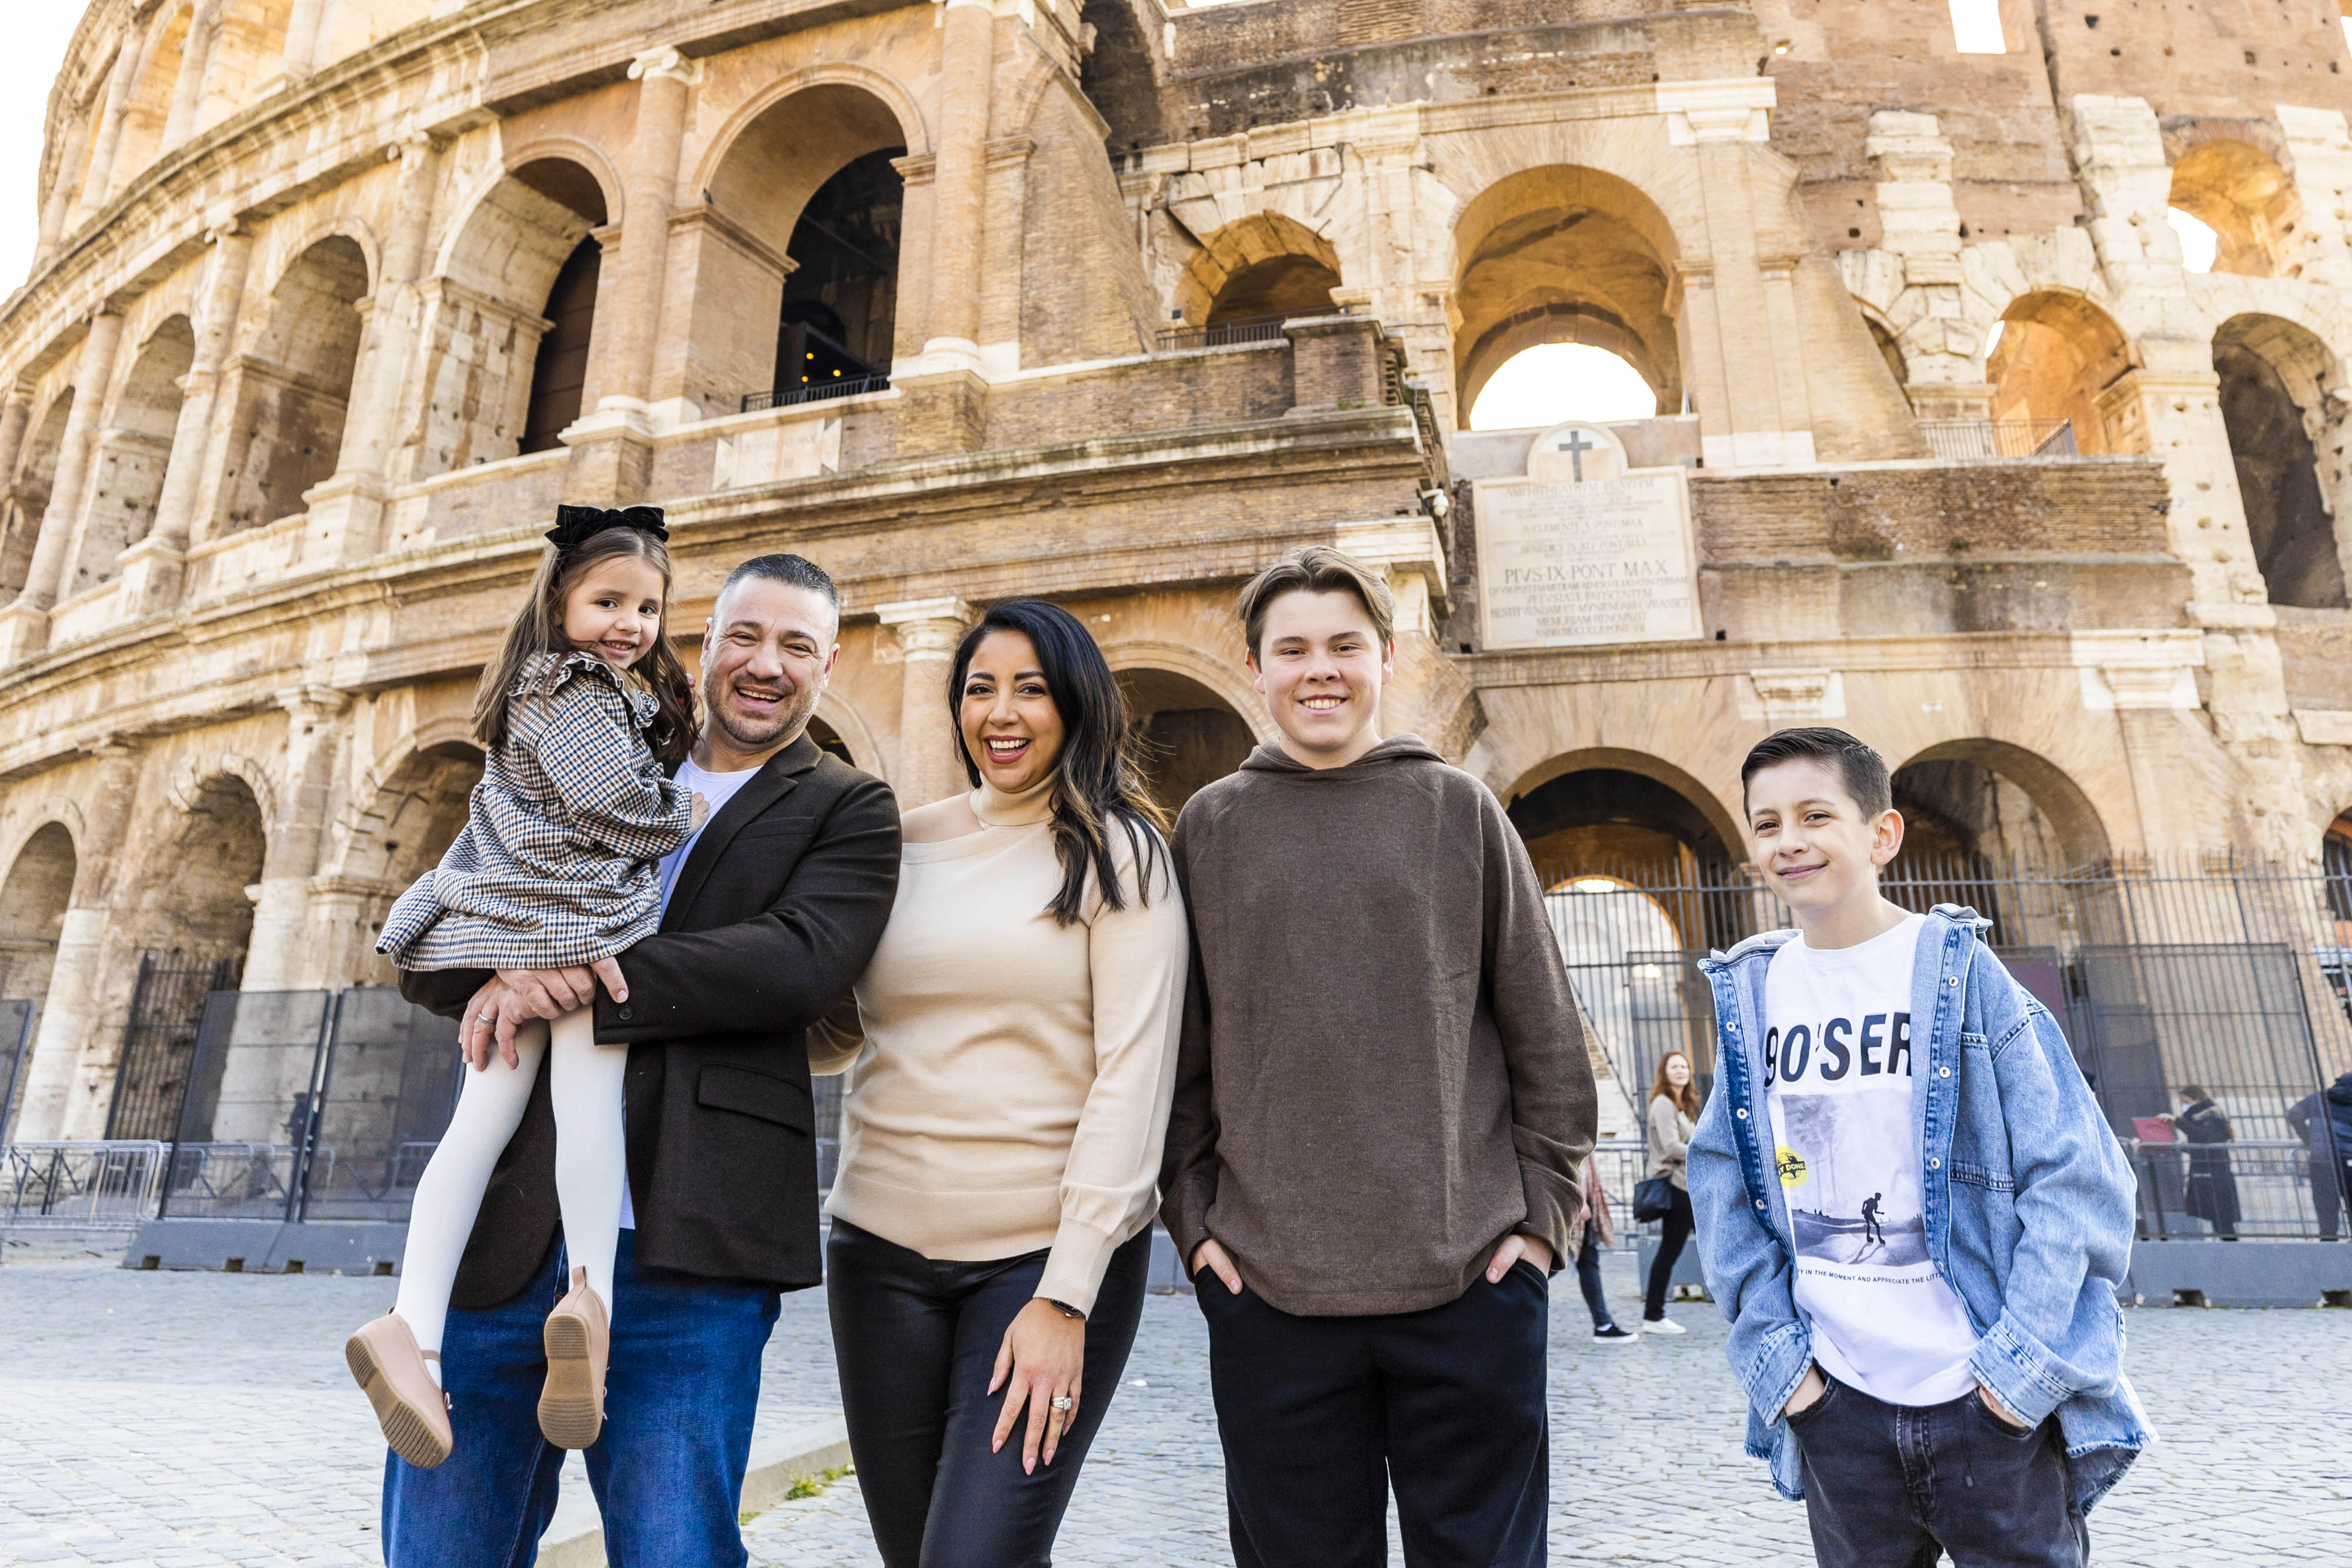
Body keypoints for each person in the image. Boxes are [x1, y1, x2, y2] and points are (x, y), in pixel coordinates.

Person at [382, 553, 901, 1568]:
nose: (767, 664)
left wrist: (575, 967)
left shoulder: (849, 806)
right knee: (442, 1554)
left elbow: (798, 963)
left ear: (829, 664)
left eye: (797, 645)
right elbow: (448, 910)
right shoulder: (588, 748)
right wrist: (508, 968)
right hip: (504, 1248)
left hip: (690, 1255)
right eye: (745, 635)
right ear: (704, 640)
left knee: (675, 1553)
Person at [1160, 545, 1598, 1568]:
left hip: (1469, 1283)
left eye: (1345, 646)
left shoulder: (1458, 811)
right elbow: (1177, 1054)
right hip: (1271, 1293)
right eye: (1293, 648)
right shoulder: (1211, 827)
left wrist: (1541, 1223)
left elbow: (1547, 1035)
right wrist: (1195, 1225)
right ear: (1258, 668)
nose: (1321, 669)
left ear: (1387, 657)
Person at [1689, 727, 2147, 1568]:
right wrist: (1787, 1372)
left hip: (1983, 1401)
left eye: (1815, 813)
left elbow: (2079, 1178)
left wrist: (2014, 1381)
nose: (1788, 839)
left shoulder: (1961, 975)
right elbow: (1721, 1178)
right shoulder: (1753, 996)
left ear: (1881, 833)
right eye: (1766, 822)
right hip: (1838, 1404)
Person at [810, 600, 1188, 1567]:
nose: (1002, 712)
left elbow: (1132, 1076)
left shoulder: (1119, 851)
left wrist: (1067, 1297)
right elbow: (841, 1027)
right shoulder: (895, 840)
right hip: (877, 1253)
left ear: (1076, 704)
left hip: (1038, 1262)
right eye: (980, 688)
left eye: (1031, 687)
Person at [349, 506, 700, 1469]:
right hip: (572, 918)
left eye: (650, 608)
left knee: (485, 1121)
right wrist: (682, 806)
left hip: (519, 923)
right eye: (609, 601)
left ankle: (415, 1328)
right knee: (589, 1111)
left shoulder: (551, 686)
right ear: (557, 603)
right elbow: (613, 807)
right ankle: (590, 1300)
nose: (631, 623)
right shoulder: (578, 686)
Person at [1642, 1050, 1700, 1333]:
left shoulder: (1681, 1105)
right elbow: (1669, 1146)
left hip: (1686, 1185)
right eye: (1674, 1066)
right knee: (1669, 1250)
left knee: (1676, 1248)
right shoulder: (1664, 1104)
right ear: (1664, 1073)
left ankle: (1654, 1314)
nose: (1680, 1070)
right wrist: (1702, 1153)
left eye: (1684, 1066)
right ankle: (1653, 1316)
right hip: (1675, 1186)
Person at [1574, 1153, 1635, 1344]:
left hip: (1585, 1198)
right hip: (1574, 1203)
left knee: (1588, 1262)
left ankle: (1603, 1325)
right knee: (1546, 1264)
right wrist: (1577, 1201)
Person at [2166, 1085, 2239, 1241]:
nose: (2184, 1105)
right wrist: (2181, 1147)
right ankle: (2230, 1247)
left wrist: (2178, 1122)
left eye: (2186, 1101)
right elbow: (2201, 1144)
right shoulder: (2202, 1117)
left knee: (2222, 1220)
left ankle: (2233, 1249)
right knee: (2218, 1220)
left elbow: (2204, 1137)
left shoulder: (2211, 1116)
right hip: (2208, 1173)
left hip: (2216, 1175)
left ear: (2197, 1099)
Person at [2286, 1071, 2352, 1241]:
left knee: (2326, 1213)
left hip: (2321, 1162)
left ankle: (2328, 1246)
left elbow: (2293, 1114)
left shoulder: (2318, 1099)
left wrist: (2308, 1139)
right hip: (2349, 1164)